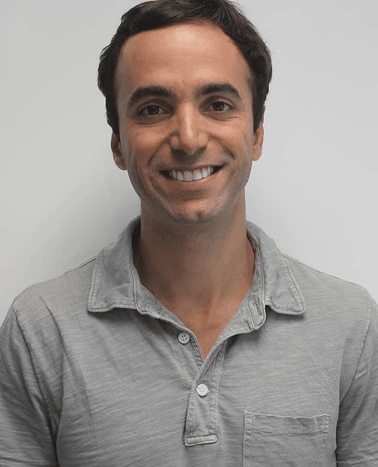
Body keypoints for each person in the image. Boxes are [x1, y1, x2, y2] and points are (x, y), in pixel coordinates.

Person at [0, 0, 377, 465]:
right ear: (118, 143)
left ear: (256, 133)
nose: (189, 138)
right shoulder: (40, 330)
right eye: (153, 109)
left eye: (218, 104)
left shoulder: (350, 326)